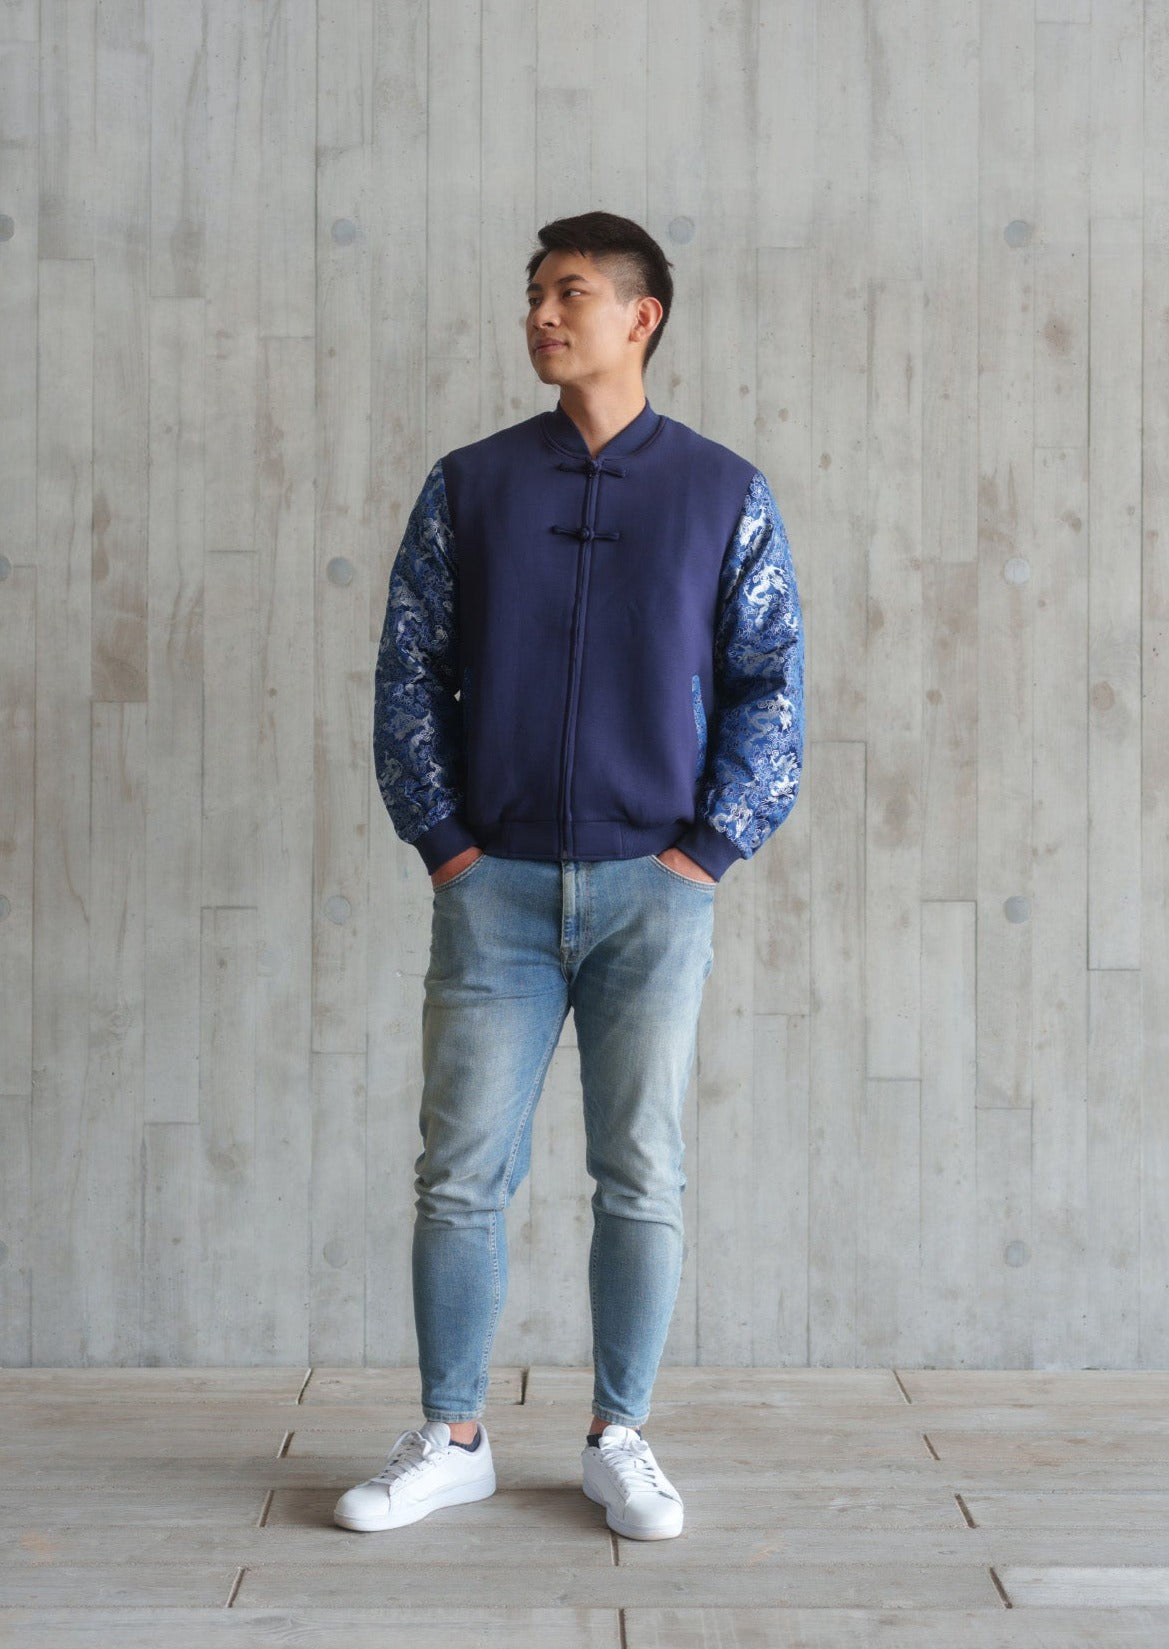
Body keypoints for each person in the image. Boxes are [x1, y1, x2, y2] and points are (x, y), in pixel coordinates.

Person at [334, 211, 805, 1541]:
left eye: (570, 293)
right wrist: (446, 841)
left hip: (655, 889)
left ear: (639, 317)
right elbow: (408, 670)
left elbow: (772, 685)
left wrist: (705, 851)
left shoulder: (722, 491)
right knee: (457, 1172)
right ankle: (453, 1437)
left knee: (641, 1171)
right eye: (535, 294)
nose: (541, 315)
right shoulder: (471, 484)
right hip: (492, 889)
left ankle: (619, 1436)